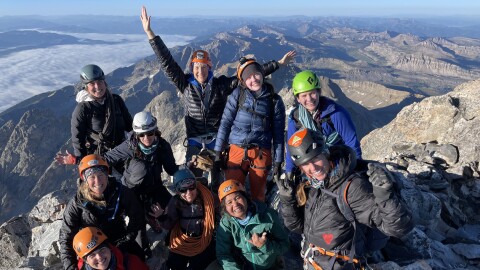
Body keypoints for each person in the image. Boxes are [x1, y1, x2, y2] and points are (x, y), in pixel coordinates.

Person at [140, 6, 295, 183]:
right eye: (196, 67)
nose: (200, 71)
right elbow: (167, 62)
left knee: (219, 182)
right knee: (194, 181)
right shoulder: (185, 85)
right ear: (192, 68)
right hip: (195, 142)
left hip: (217, 140)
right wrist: (150, 33)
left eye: (204, 67)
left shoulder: (221, 85)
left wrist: (278, 64)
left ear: (209, 68)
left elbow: (246, 77)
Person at [276, 128, 413, 270]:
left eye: (316, 158)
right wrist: (288, 201)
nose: (313, 168)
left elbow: (399, 228)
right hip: (314, 262)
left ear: (325, 153)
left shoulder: (352, 188)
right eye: (305, 164)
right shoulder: (311, 185)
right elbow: (298, 228)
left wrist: (385, 195)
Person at [57, 111, 179, 258]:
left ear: (155, 132)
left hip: (155, 188)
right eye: (142, 134)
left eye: (150, 133)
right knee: (139, 229)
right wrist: (78, 161)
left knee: (174, 210)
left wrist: (186, 179)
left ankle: (173, 238)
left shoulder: (163, 146)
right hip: (133, 191)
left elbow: (172, 169)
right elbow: (104, 160)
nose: (146, 138)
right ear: (136, 134)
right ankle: (146, 237)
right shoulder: (129, 146)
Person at [213, 58, 286, 202]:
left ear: (262, 74)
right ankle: (234, 222)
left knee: (258, 196)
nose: (254, 79)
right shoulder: (237, 95)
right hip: (236, 150)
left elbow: (278, 134)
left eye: (256, 74)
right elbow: (225, 124)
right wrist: (217, 153)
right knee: (232, 193)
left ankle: (258, 221)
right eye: (249, 77)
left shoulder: (274, 101)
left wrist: (278, 161)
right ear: (243, 81)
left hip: (260, 153)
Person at [59, 154, 145, 270]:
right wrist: (70, 267)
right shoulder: (76, 203)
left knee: (138, 259)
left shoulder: (120, 192)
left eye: (101, 175)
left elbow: (137, 215)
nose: (97, 181)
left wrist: (128, 238)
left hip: (119, 239)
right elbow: (66, 237)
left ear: (107, 175)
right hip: (92, 248)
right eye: (92, 177)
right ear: (84, 179)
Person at [285, 70, 362, 182]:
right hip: (311, 167)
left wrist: (356, 168)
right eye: (304, 95)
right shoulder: (295, 119)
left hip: (337, 165)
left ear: (319, 92)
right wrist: (289, 171)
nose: (309, 99)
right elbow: (292, 148)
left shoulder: (335, 113)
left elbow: (351, 142)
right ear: (297, 99)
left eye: (312, 93)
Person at [149, 169, 217, 270]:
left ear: (196, 186)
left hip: (203, 239)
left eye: (191, 187)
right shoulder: (176, 202)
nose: (188, 193)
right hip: (182, 240)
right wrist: (161, 217)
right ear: (177, 191)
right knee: (174, 265)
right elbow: (168, 224)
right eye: (183, 190)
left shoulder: (206, 197)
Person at [216, 179, 289, 269]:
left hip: (270, 266)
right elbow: (223, 253)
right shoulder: (226, 223)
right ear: (225, 208)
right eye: (229, 202)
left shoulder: (268, 216)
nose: (235, 204)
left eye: (237, 198)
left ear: (245, 197)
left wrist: (264, 246)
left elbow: (285, 245)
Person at [71, 64, 133, 159]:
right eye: (92, 83)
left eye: (100, 81)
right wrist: (82, 162)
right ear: (86, 87)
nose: (97, 86)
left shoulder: (116, 100)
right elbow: (77, 139)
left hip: (123, 153)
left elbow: (130, 126)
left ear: (104, 82)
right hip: (99, 157)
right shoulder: (82, 108)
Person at [72, 226, 149, 270]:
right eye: (92, 255)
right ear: (86, 261)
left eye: (102, 250)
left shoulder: (131, 263)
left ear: (109, 248)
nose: (99, 257)